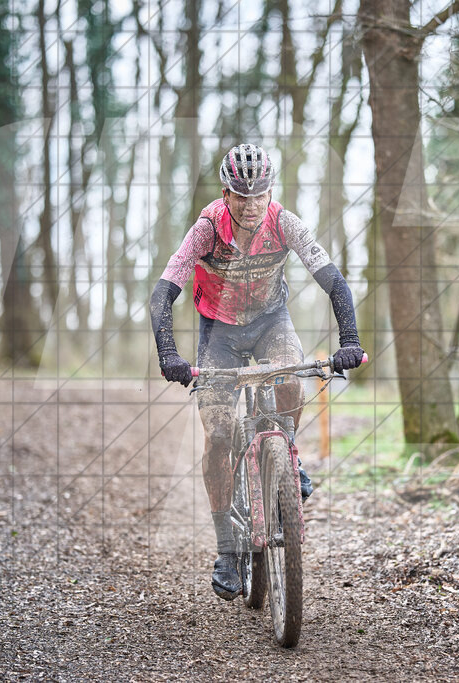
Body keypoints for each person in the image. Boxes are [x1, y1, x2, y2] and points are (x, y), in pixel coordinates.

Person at [149, 143, 365, 600]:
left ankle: (289, 457)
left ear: (271, 192)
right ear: (225, 195)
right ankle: (227, 548)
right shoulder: (207, 227)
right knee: (221, 434)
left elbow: (334, 280)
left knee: (291, 378)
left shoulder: (285, 222)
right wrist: (168, 353)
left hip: (271, 322)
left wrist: (350, 342)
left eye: (259, 195)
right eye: (240, 196)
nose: (250, 206)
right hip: (219, 334)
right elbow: (163, 291)